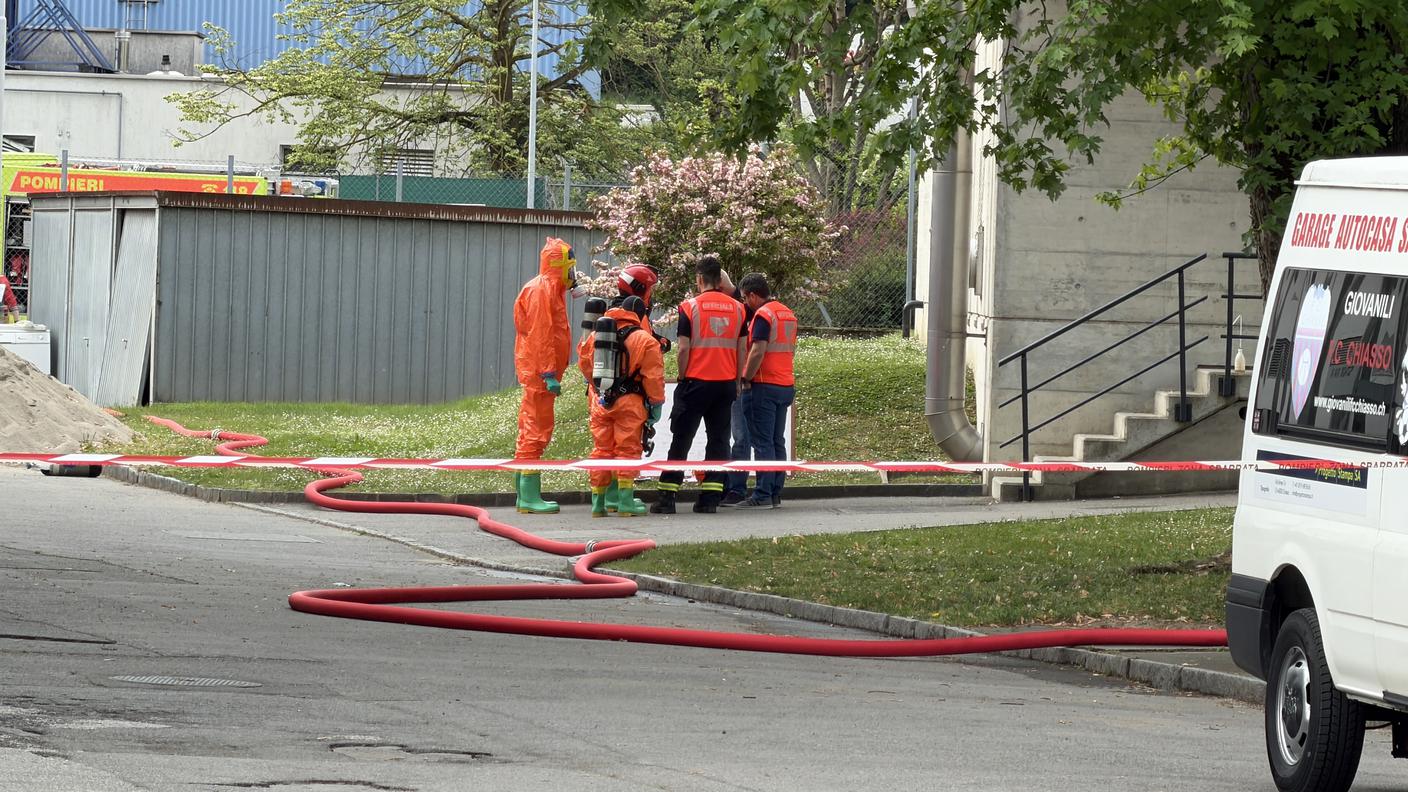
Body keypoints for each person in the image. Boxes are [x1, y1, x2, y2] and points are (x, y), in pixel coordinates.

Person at [652, 256, 746, 514]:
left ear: (699, 279)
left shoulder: (689, 307)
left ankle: (667, 498)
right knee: (719, 441)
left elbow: (684, 348)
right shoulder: (739, 309)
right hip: (725, 384)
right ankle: (710, 499)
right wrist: (737, 380)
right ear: (720, 280)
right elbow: (741, 349)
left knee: (681, 438)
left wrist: (682, 377)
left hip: (695, 382)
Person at [576, 264, 663, 513]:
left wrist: (597, 390)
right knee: (628, 450)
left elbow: (584, 361)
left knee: (601, 450)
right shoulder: (644, 339)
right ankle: (625, 502)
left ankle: (598, 504)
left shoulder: (598, 334)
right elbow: (653, 376)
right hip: (630, 403)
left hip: (601, 400)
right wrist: (656, 404)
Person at [512, 236, 580, 514]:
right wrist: (549, 372)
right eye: (570, 268)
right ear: (559, 265)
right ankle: (529, 496)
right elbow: (542, 335)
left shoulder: (548, 289)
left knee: (530, 429)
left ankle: (523, 495)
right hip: (539, 374)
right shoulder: (541, 290)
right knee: (536, 431)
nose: (573, 274)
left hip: (536, 371)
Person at [734, 272, 797, 509]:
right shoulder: (787, 313)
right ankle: (775, 492)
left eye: (744, 298)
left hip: (763, 385)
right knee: (777, 441)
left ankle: (762, 494)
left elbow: (758, 350)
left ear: (752, 295)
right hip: (785, 384)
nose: (744, 303)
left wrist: (745, 377)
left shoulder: (763, 315)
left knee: (762, 442)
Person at [719, 269, 756, 506]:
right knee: (728, 436)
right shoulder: (738, 307)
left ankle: (736, 489)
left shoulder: (742, 309)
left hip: (740, 381)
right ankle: (727, 486)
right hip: (729, 379)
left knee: (741, 437)